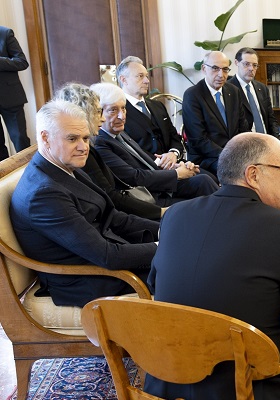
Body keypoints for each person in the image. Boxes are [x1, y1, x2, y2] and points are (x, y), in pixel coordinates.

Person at [146, 133, 280, 399]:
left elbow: (155, 285)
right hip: (246, 386)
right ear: (253, 175)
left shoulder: (176, 215)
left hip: (167, 380)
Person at [9, 100, 159, 307]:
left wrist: (166, 229)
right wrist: (165, 245)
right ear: (45, 138)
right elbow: (107, 256)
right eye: (72, 138)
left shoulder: (63, 165)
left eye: (86, 138)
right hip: (91, 280)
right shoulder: (43, 194)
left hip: (109, 259)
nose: (83, 147)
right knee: (193, 270)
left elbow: (113, 217)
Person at [91, 83, 218, 206]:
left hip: (159, 184)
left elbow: (145, 160)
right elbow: (133, 177)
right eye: (113, 110)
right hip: (148, 197)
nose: (122, 116)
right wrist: (177, 173)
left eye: (123, 108)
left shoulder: (119, 133)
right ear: (97, 113)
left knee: (203, 180)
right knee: (202, 196)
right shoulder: (101, 143)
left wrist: (173, 166)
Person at [53, 82, 165, 220]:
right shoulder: (85, 151)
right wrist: (161, 212)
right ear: (83, 114)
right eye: (98, 112)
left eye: (123, 109)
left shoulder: (90, 147)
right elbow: (111, 197)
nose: (103, 118)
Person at [228, 47, 280, 178]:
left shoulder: (261, 88)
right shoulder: (229, 90)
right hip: (248, 146)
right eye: (246, 64)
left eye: (254, 65)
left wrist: (278, 142)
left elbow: (271, 118)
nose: (251, 69)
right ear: (236, 63)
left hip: (268, 142)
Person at [182, 51, 250, 174]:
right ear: (204, 69)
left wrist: (242, 154)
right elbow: (198, 140)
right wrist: (229, 156)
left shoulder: (233, 91)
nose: (221, 75)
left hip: (234, 155)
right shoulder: (193, 95)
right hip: (206, 158)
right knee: (241, 172)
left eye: (225, 69)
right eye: (215, 68)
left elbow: (243, 128)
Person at [116, 56, 185, 170]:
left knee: (206, 175)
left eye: (147, 76)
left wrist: (173, 153)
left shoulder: (158, 106)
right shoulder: (118, 112)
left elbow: (174, 137)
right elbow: (127, 148)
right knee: (202, 179)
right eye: (140, 76)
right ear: (124, 80)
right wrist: (161, 162)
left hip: (175, 163)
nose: (147, 81)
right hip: (146, 170)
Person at [0, 26, 31, 160]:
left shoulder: (5, 33)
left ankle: (28, 169)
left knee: (20, 139)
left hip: (10, 97)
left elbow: (22, 62)